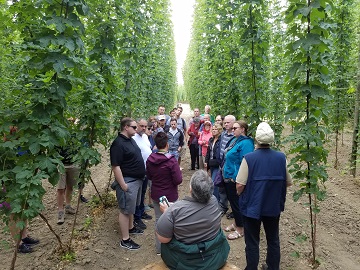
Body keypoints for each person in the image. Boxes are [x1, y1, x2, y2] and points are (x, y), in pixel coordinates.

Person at [236, 122, 292, 270]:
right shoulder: (281, 158)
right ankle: (273, 267)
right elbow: (288, 182)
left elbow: (240, 185)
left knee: (252, 241)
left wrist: (240, 194)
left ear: (257, 139)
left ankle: (251, 268)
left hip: (252, 207)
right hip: (273, 206)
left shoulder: (249, 158)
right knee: (273, 239)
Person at [156, 170, 230, 269]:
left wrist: (167, 213)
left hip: (184, 261)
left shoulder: (174, 211)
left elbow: (163, 239)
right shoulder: (213, 201)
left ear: (191, 189)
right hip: (213, 257)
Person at [110, 117, 146, 250]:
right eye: (134, 127)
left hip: (136, 181)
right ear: (126, 127)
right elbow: (116, 166)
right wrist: (123, 185)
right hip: (128, 182)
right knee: (125, 210)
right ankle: (125, 240)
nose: (137, 130)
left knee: (130, 208)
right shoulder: (118, 144)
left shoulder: (129, 140)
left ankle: (131, 228)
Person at [146, 132, 182, 254]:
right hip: (170, 195)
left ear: (156, 145)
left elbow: (149, 176)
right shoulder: (171, 161)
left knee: (158, 220)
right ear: (167, 144)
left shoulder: (150, 159)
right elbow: (178, 180)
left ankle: (160, 249)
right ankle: (172, 249)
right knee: (173, 220)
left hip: (157, 194)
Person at [223, 120, 254, 240]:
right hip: (229, 176)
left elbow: (245, 163)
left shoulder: (246, 144)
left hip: (235, 179)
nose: (232, 130)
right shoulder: (236, 140)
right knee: (233, 203)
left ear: (243, 129)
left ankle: (241, 229)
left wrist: (237, 178)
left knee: (237, 204)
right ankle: (236, 223)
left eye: (235, 128)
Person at [133, 118, 153, 230]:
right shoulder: (133, 138)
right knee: (138, 194)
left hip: (146, 170)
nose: (144, 128)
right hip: (138, 171)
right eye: (141, 126)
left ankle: (141, 211)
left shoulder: (145, 137)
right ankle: (137, 217)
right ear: (137, 125)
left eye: (145, 126)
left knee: (143, 191)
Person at [216, 115, 236, 216]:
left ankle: (234, 209)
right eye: (225, 122)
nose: (226, 124)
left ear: (233, 123)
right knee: (222, 186)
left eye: (228, 122)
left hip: (230, 167)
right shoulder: (223, 134)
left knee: (231, 189)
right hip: (222, 165)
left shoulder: (235, 137)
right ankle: (223, 206)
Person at [204, 123, 223, 201]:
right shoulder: (211, 140)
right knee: (212, 181)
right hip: (211, 163)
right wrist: (206, 161)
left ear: (219, 131)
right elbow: (208, 151)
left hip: (217, 164)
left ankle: (215, 200)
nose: (214, 131)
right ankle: (214, 199)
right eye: (213, 129)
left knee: (214, 182)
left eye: (216, 129)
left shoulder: (221, 140)